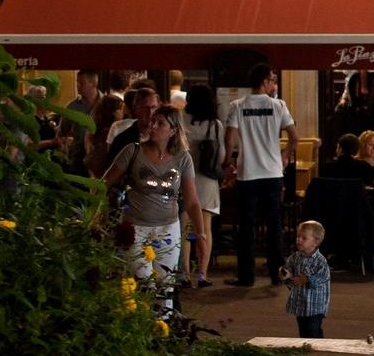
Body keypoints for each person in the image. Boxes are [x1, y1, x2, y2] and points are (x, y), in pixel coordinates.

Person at [103, 105, 209, 314]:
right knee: (144, 282)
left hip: (167, 228)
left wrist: (201, 233)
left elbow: (192, 201)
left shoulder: (182, 158)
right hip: (136, 227)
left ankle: (163, 333)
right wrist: (97, 211)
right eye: (153, 121)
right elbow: (104, 183)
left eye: (160, 123)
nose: (153, 126)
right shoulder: (132, 151)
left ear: (173, 131)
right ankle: (141, 330)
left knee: (165, 286)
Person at [223, 66, 298, 288]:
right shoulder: (278, 106)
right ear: (264, 82)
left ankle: (246, 276)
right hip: (273, 173)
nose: (274, 85)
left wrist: (228, 161)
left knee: (247, 225)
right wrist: (284, 156)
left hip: (248, 173)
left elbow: (229, 139)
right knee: (275, 223)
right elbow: (294, 136)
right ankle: (277, 273)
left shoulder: (238, 105)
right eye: (272, 80)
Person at [180, 87, 224, 288]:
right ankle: (202, 274)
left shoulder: (181, 120)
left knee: (186, 229)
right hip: (207, 181)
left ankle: (184, 274)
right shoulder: (215, 125)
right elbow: (221, 155)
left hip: (185, 179)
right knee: (205, 228)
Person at [283, 220, 331, 339]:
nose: (299, 240)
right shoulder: (294, 257)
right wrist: (285, 275)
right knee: (303, 330)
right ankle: (307, 348)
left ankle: (319, 348)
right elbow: (288, 271)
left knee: (313, 330)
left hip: (315, 305)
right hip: (301, 303)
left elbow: (324, 277)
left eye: (304, 238)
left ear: (315, 242)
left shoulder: (320, 260)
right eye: (298, 236)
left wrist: (308, 279)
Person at [63, 69, 101, 175]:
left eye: (81, 83)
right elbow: (62, 133)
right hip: (77, 162)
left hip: (101, 162)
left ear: (93, 84)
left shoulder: (107, 104)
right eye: (77, 82)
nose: (78, 86)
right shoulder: (72, 107)